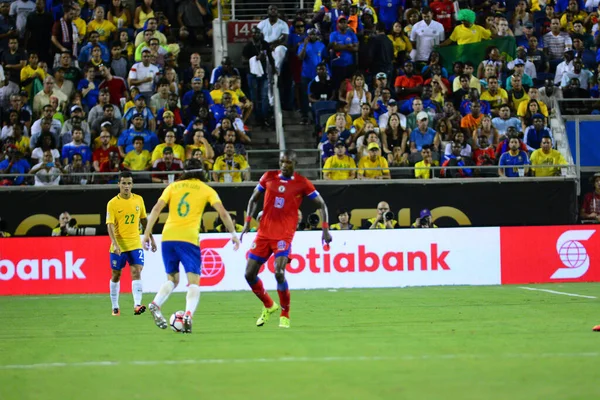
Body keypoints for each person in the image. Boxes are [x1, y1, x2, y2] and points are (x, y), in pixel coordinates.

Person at [143, 159, 241, 333]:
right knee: (193, 282)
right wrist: (233, 234)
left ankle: (156, 303)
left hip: (168, 236)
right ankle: (188, 313)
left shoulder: (172, 187)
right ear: (200, 171)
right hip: (188, 238)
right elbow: (223, 213)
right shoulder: (206, 189)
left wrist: (147, 233)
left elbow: (157, 209)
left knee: (172, 279)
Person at [239, 150, 332, 329]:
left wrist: (325, 230)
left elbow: (322, 204)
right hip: (264, 233)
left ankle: (285, 313)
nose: (284, 165)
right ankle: (269, 305)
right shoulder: (268, 177)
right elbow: (253, 199)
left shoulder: (302, 183)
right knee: (249, 274)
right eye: (282, 161)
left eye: (288, 162)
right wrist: (247, 223)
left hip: (283, 235)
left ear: (294, 164)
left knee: (279, 272)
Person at [106, 171, 156, 316]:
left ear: (132, 184)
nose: (126, 186)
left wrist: (151, 238)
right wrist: (115, 244)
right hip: (119, 245)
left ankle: (137, 304)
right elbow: (109, 225)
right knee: (116, 274)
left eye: (129, 183)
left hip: (135, 243)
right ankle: (115, 306)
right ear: (119, 184)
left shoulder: (139, 200)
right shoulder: (113, 203)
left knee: (137, 271)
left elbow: (144, 220)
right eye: (124, 183)